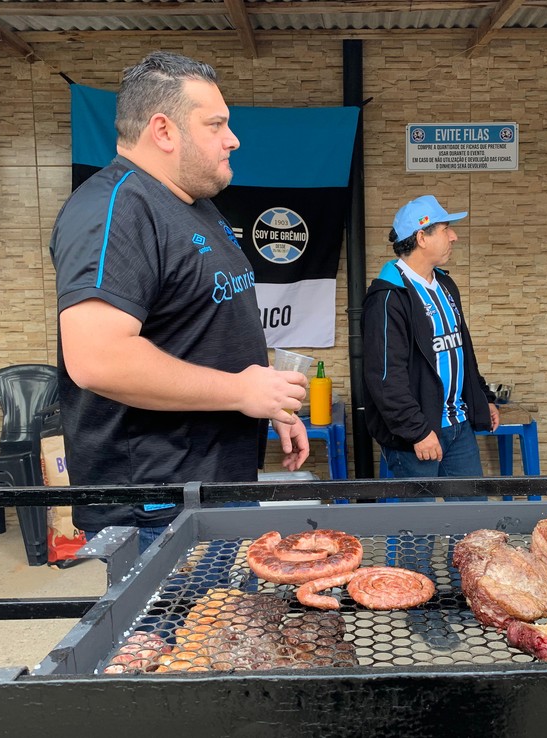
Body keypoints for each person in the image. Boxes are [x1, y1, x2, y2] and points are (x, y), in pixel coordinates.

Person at [49, 51, 309, 552]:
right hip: (157, 507)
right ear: (164, 131)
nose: (232, 139)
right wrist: (239, 391)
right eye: (216, 125)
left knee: (227, 631)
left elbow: (199, 334)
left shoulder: (196, 207)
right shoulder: (115, 208)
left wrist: (263, 401)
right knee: (174, 634)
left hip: (215, 485)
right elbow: (99, 360)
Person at [362, 195, 500, 478]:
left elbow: (462, 350)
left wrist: (482, 397)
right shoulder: (388, 297)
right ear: (422, 237)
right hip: (418, 434)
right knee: (417, 521)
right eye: (445, 229)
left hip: (458, 427)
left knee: (472, 517)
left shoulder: (446, 284)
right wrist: (417, 432)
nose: (454, 236)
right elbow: (386, 378)